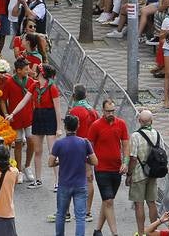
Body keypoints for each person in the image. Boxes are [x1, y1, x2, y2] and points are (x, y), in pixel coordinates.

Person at [86, 99, 129, 236]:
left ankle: (97, 230)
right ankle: (115, 233)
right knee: (109, 201)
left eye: (112, 111)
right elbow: (89, 148)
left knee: (107, 201)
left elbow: (126, 145)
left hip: (116, 168)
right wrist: (88, 169)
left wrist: (125, 162)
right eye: (108, 111)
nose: (111, 113)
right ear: (102, 110)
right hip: (101, 168)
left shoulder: (121, 124)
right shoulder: (96, 126)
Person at [50, 114, 97, 236]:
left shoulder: (59, 144)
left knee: (61, 214)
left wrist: (60, 161)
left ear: (65, 127)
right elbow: (95, 161)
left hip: (64, 184)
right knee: (80, 217)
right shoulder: (84, 143)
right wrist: (84, 159)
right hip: (80, 184)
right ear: (78, 126)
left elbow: (50, 163)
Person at [126, 109, 163, 235]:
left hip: (139, 174)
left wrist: (129, 174)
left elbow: (133, 157)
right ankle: (154, 231)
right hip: (153, 173)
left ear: (139, 121)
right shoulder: (157, 134)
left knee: (139, 204)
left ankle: (141, 232)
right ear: (151, 121)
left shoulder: (135, 136)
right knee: (152, 202)